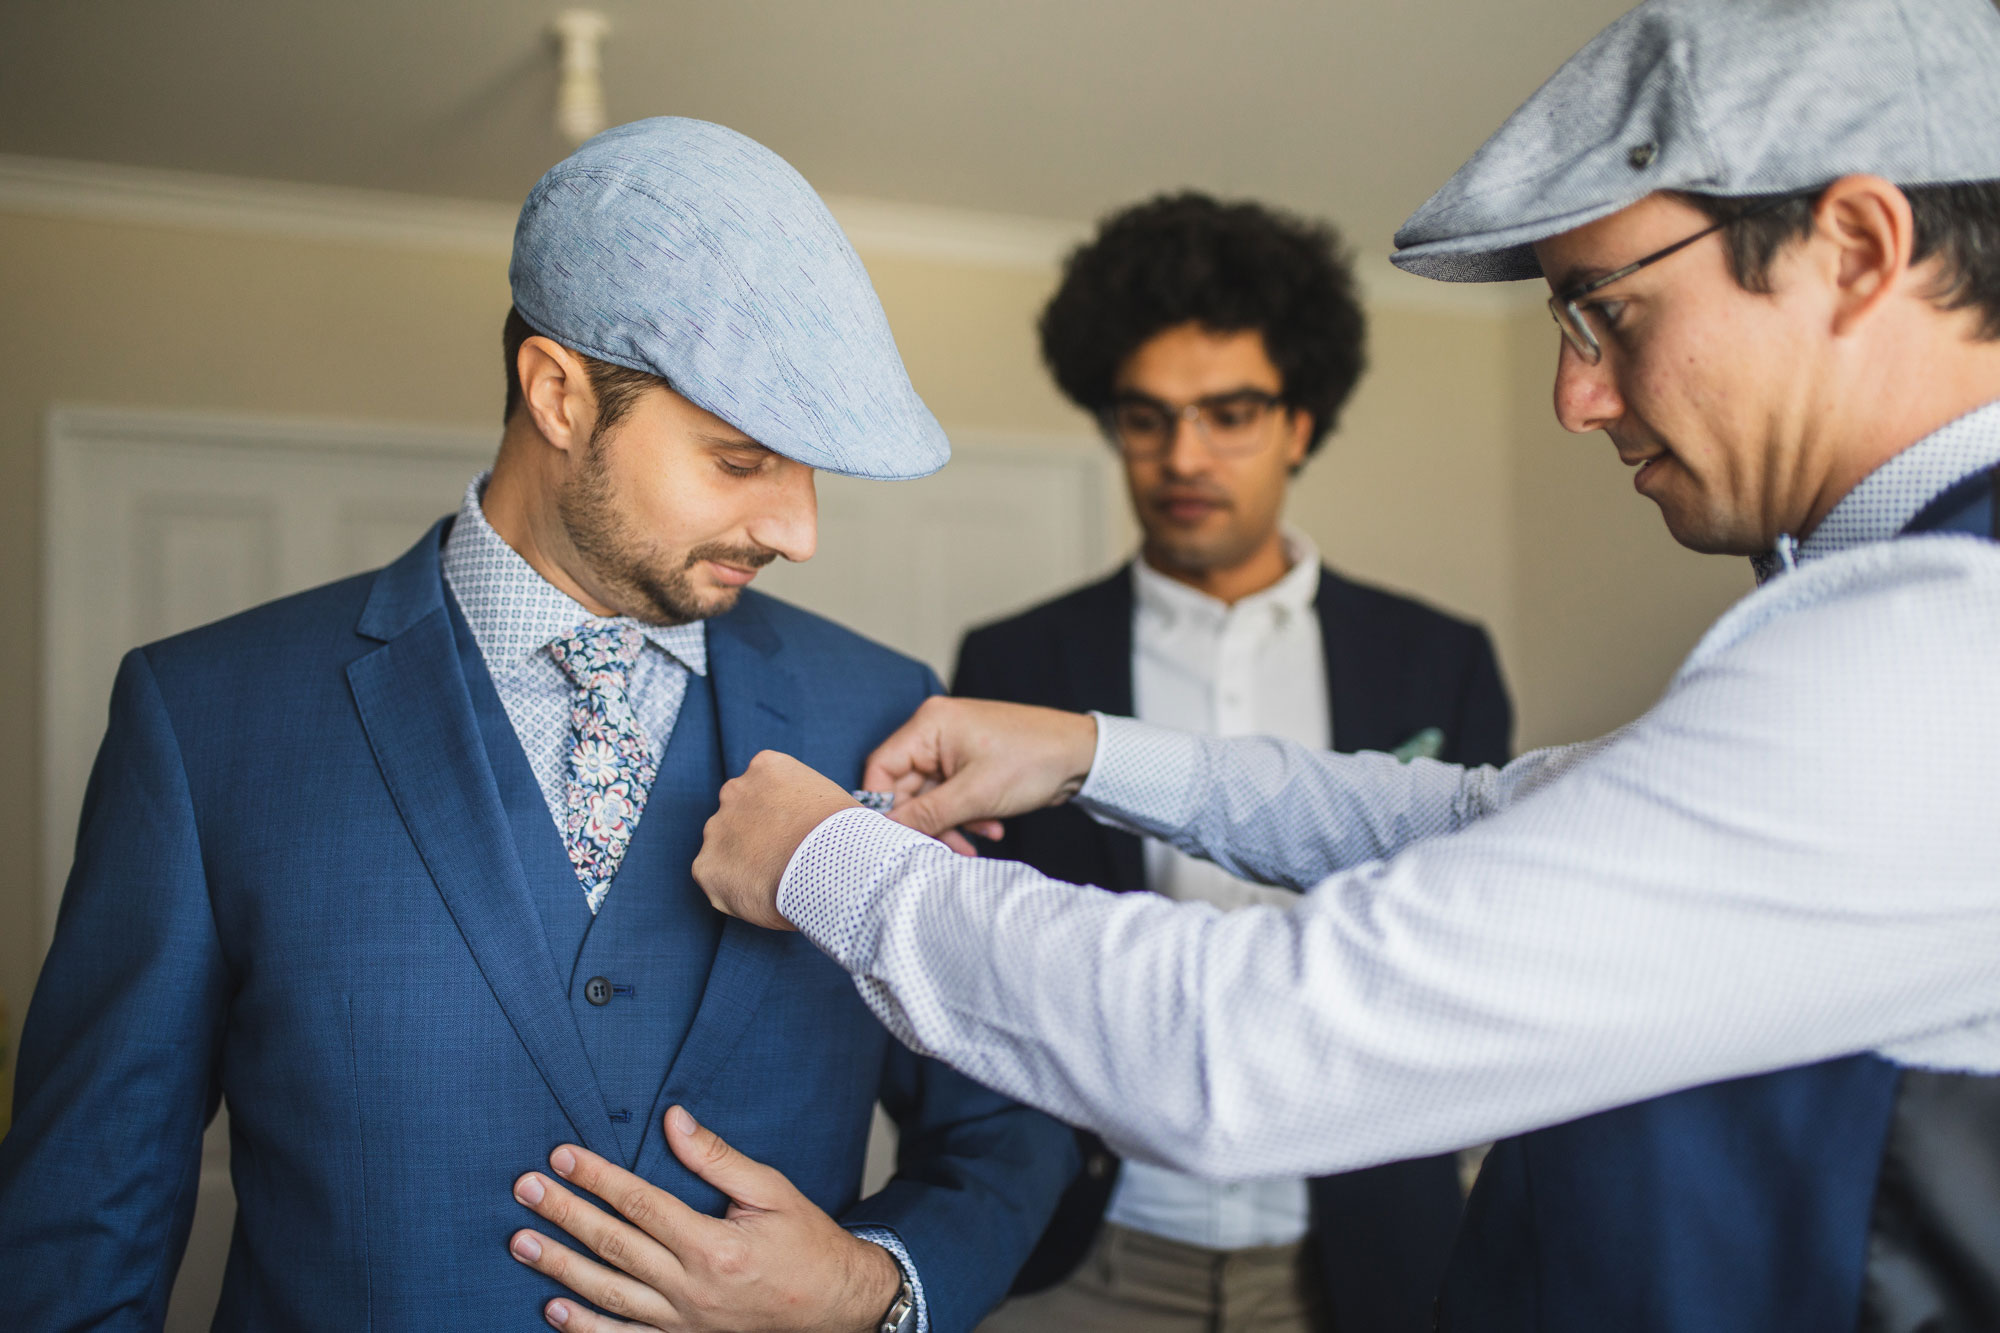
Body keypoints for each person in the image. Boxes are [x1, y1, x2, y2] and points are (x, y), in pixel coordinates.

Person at [655, 2, 2000, 1330]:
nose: (1576, 395)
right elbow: (1481, 819)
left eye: (1605, 310)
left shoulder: (1935, 658)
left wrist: (827, 860)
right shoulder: (1896, 622)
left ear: (1860, 248)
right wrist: (1096, 752)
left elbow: (1242, 1049)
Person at [0, 117, 1076, 1333]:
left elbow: (1005, 1125)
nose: (799, 531)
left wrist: (875, 1286)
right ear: (558, 394)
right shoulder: (204, 721)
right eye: (740, 461)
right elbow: (86, 1221)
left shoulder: (875, 710)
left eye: (812, 474)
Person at [958, 193, 1511, 1333]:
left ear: (1300, 421)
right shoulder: (1014, 659)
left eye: (1230, 413)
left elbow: (1462, 934)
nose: (1182, 456)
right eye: (1146, 418)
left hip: (1359, 1255)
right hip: (1092, 1247)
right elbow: (987, 939)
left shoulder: (1435, 660)